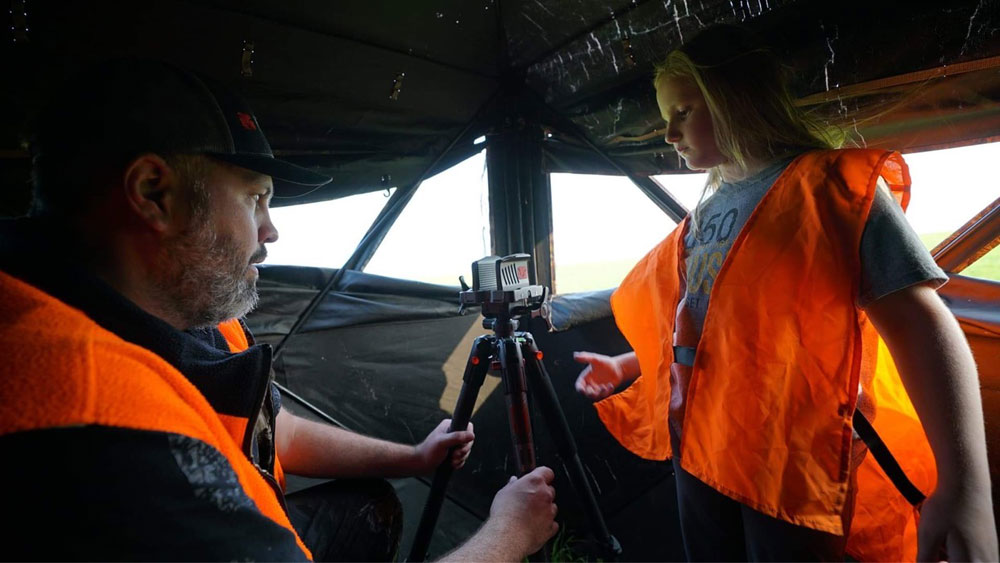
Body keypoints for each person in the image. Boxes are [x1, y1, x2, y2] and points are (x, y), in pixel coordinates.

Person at [0, 59, 558, 561]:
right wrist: (509, 531)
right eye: (254, 197)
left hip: (251, 509)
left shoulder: (183, 313)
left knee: (372, 503)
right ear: (153, 193)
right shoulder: (94, 417)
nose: (270, 230)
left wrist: (414, 456)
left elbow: (270, 432)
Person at [573, 25, 997, 562]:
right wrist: (629, 364)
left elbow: (921, 322)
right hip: (700, 444)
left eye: (682, 111)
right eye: (666, 117)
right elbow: (719, 328)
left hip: (790, 458)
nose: (668, 133)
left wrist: (966, 487)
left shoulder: (828, 188)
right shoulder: (703, 216)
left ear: (736, 101)